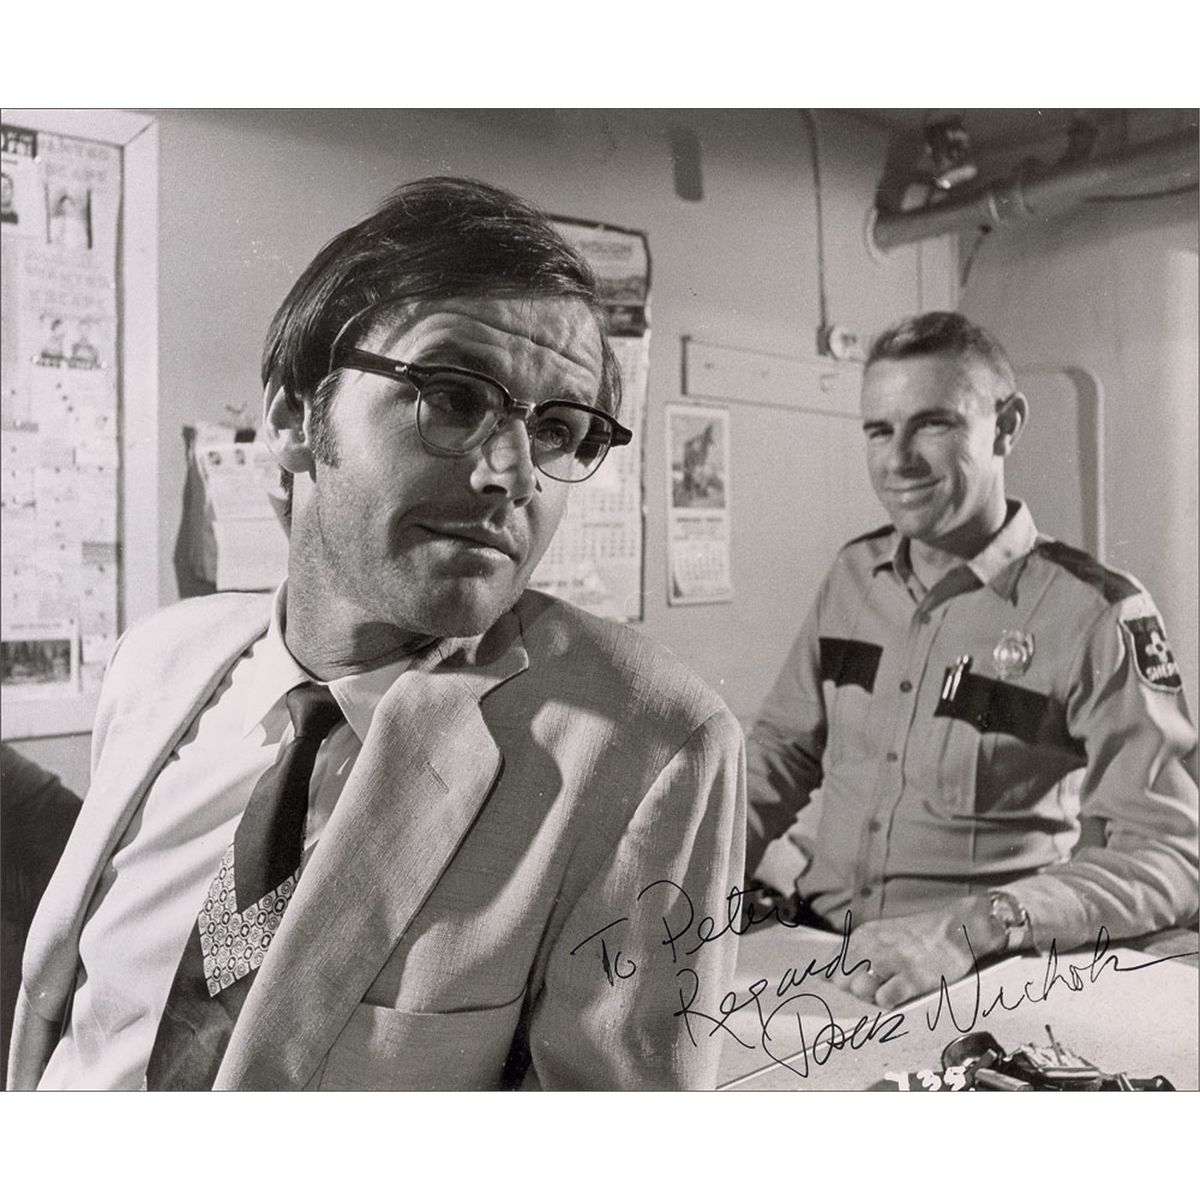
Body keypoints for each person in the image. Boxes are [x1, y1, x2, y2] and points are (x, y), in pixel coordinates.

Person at [9, 178, 746, 1091]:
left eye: (558, 429)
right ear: (294, 417)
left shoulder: (645, 746)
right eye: (454, 398)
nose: (514, 476)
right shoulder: (155, 662)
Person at [746, 311, 1198, 1009]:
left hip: (974, 981)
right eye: (878, 430)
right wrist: (678, 884)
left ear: (1006, 426)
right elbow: (778, 755)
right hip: (819, 956)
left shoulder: (1098, 613)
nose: (898, 461)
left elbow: (1169, 854)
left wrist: (970, 927)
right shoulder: (853, 575)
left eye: (932, 424)